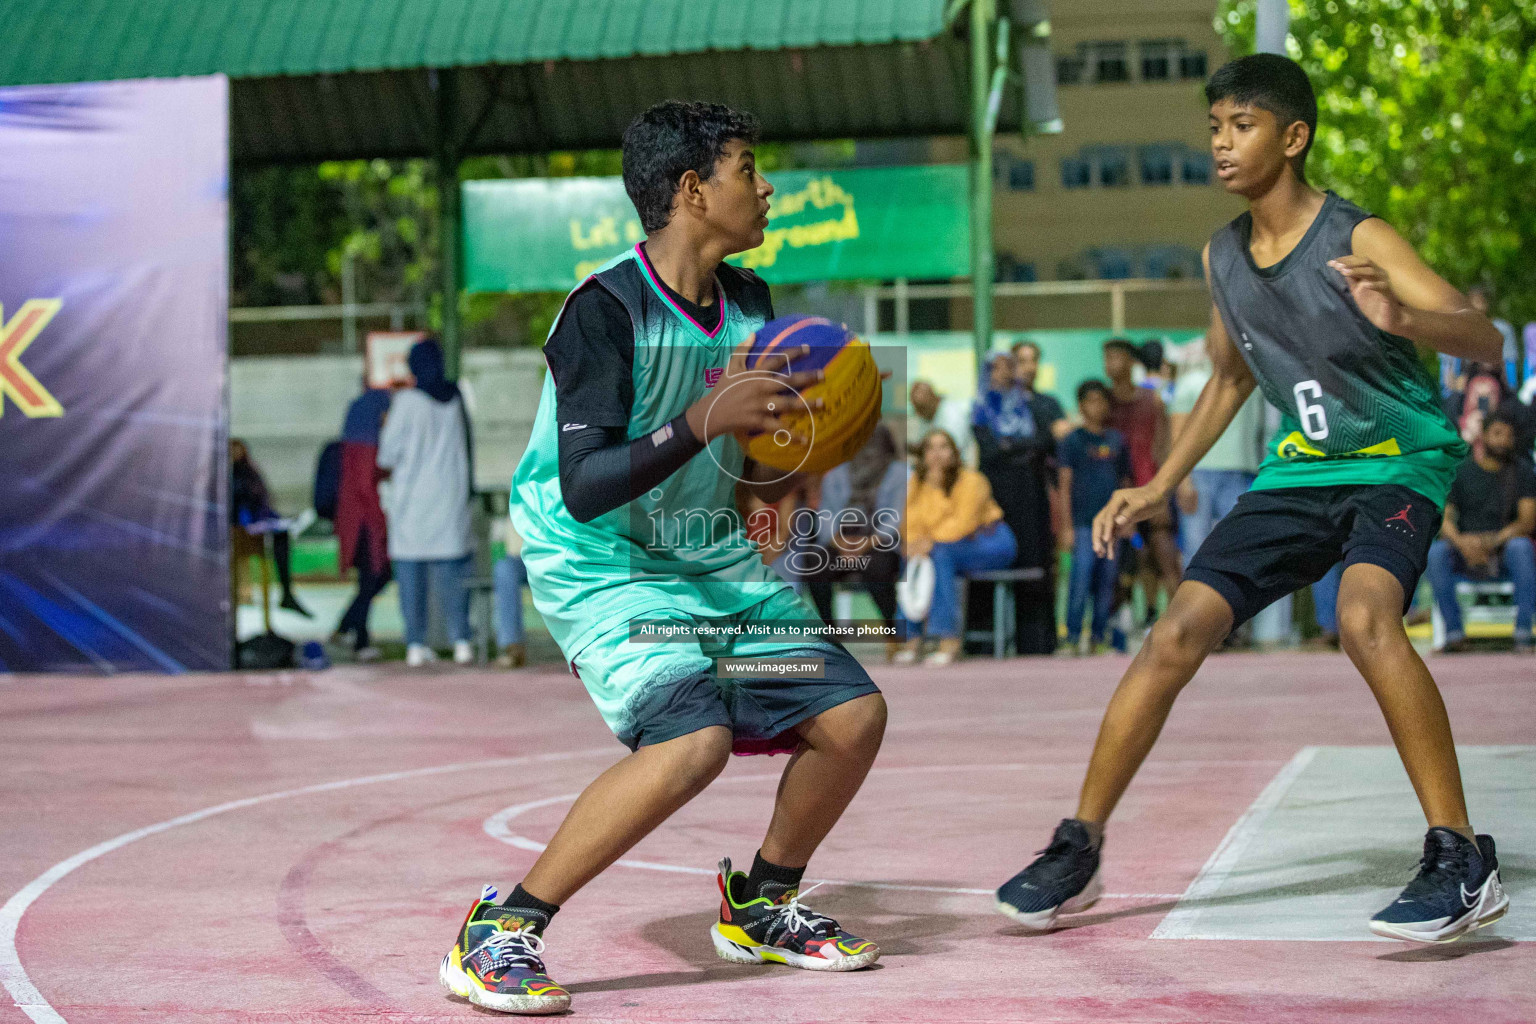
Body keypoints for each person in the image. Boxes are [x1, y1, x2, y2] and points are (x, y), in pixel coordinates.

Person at [995, 54, 1508, 944]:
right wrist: (1158, 484)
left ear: (1294, 136)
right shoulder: (1223, 254)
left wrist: (1409, 321)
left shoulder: (1361, 238)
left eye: (1242, 126)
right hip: (1299, 472)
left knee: (1363, 617)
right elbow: (1230, 379)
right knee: (1177, 630)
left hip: (1396, 461)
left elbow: (1487, 339)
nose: (1222, 144)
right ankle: (1078, 845)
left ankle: (1462, 857)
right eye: (1215, 128)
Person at [443, 102, 887, 1016]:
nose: (766, 189)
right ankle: (502, 928)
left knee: (853, 718)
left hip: (703, 553)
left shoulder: (752, 303)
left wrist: (785, 477)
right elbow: (587, 486)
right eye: (747, 170)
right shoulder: (600, 313)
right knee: (693, 742)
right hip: (599, 557)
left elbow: (750, 458)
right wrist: (704, 420)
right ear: (693, 191)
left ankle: (763, 904)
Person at [378, 338, 475, 668]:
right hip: (449, 500)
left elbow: (386, 454)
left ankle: (415, 644)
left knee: (411, 579)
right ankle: (461, 640)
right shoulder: (456, 398)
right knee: (452, 578)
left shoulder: (405, 402)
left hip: (412, 504)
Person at [898, 429, 1017, 665]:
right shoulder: (915, 484)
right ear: (922, 455)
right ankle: (912, 639)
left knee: (939, 554)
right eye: (930, 448)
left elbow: (963, 524)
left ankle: (948, 640)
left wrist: (927, 542)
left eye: (944, 447)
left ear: (954, 453)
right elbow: (907, 523)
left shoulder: (972, 480)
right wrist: (914, 545)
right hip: (946, 546)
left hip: (990, 541)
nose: (937, 454)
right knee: (910, 557)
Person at [1426, 410, 1536, 653]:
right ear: (1483, 436)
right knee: (1436, 553)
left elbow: (1527, 521)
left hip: (1504, 552)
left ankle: (1523, 632)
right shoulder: (1461, 471)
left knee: (1522, 547)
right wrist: (1462, 543)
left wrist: (1492, 541)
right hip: (1464, 552)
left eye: (1508, 436)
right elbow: (1445, 518)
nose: (1503, 441)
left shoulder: (1523, 472)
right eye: (1497, 433)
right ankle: (1454, 634)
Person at [973, 351, 1058, 654]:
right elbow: (990, 451)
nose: (1005, 373)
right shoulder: (981, 408)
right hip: (994, 498)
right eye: (997, 368)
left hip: (1030, 496)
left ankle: (1035, 643)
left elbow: (1044, 443)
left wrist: (1012, 446)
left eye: (1010, 367)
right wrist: (1021, 448)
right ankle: (984, 642)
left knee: (1033, 563)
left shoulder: (1031, 407)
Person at [804, 422, 907, 655]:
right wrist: (838, 541)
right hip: (841, 541)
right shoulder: (838, 473)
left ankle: (892, 631)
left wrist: (867, 544)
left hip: (879, 542)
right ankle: (829, 633)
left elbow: (897, 517)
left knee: (878, 566)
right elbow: (826, 513)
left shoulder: (900, 474)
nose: (867, 450)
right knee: (814, 562)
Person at [1103, 338, 1180, 624]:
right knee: (1134, 558)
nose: (1110, 364)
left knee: (1164, 552)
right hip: (1118, 492)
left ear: (1132, 361)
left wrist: (1166, 485)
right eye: (1106, 358)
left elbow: (1164, 445)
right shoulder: (1103, 402)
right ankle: (1144, 616)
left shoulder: (1152, 400)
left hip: (1151, 485)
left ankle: (1180, 618)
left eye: (1116, 357)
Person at [1170, 337, 1263, 565]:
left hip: (1243, 474)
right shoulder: (1190, 383)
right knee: (1195, 550)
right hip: (1200, 474)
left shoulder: (1252, 384)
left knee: (1239, 549)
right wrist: (1183, 481)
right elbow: (1177, 433)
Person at [1059, 381, 1131, 653]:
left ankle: (1099, 637)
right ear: (1080, 406)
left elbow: (1125, 482)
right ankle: (1072, 636)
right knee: (1080, 578)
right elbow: (1065, 484)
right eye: (1089, 401)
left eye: (1101, 401)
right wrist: (1066, 526)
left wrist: (1127, 520)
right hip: (1082, 524)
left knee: (1107, 581)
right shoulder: (1072, 441)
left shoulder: (1116, 440)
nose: (1096, 406)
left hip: (1113, 526)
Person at [332, 384, 392, 660]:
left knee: (370, 579)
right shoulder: (367, 449)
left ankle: (345, 628)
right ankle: (360, 640)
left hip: (354, 520)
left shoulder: (351, 445)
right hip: (365, 522)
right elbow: (367, 488)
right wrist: (380, 522)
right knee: (373, 576)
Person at [229, 438, 311, 619]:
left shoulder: (250, 471)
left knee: (281, 536)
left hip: (257, 523)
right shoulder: (227, 475)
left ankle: (287, 592)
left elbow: (261, 501)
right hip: (239, 529)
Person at [1012, 340, 1071, 440]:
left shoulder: (1049, 403)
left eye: (1034, 361)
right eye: (1022, 361)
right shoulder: (1003, 405)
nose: (1029, 368)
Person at [909, 380, 976, 466]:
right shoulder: (927, 416)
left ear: (933, 399)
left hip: (959, 468)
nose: (918, 413)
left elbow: (951, 450)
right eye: (916, 409)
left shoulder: (952, 415)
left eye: (920, 409)